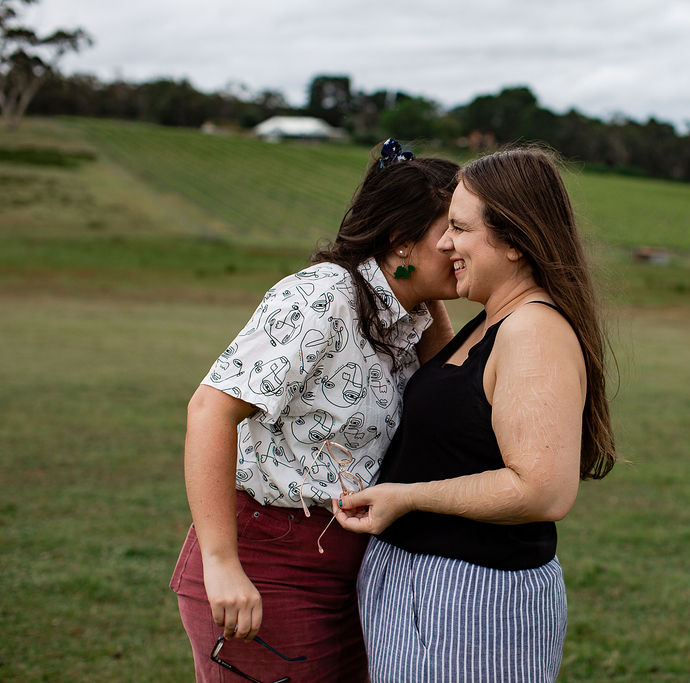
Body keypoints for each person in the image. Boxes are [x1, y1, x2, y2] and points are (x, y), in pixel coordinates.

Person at [170, 140, 461, 683]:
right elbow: (210, 409)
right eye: (452, 229)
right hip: (267, 564)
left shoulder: (408, 315)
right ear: (400, 238)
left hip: (355, 569)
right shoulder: (323, 297)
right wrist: (222, 563)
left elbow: (450, 391)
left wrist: (428, 286)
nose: (461, 244)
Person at [332, 146, 617, 682]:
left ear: (513, 241)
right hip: (426, 591)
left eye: (460, 228)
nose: (444, 242)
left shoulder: (532, 331)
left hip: (472, 602)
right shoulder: (489, 320)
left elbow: (542, 491)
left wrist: (407, 496)